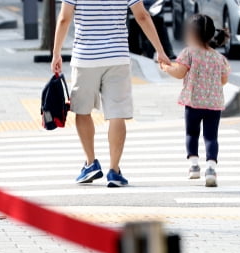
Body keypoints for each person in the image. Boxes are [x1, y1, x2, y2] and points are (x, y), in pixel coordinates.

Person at [51, 0, 171, 187]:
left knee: (82, 110)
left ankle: (91, 163)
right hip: (117, 57)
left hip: (85, 57)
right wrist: (160, 50)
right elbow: (142, 15)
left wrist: (56, 52)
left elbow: (64, 19)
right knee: (117, 114)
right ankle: (114, 171)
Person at [160, 14, 230, 187]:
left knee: (192, 133)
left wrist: (166, 67)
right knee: (211, 137)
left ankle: (194, 166)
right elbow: (223, 80)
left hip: (193, 102)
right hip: (214, 104)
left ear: (192, 34)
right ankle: (211, 169)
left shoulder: (189, 52)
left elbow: (179, 72)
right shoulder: (219, 58)